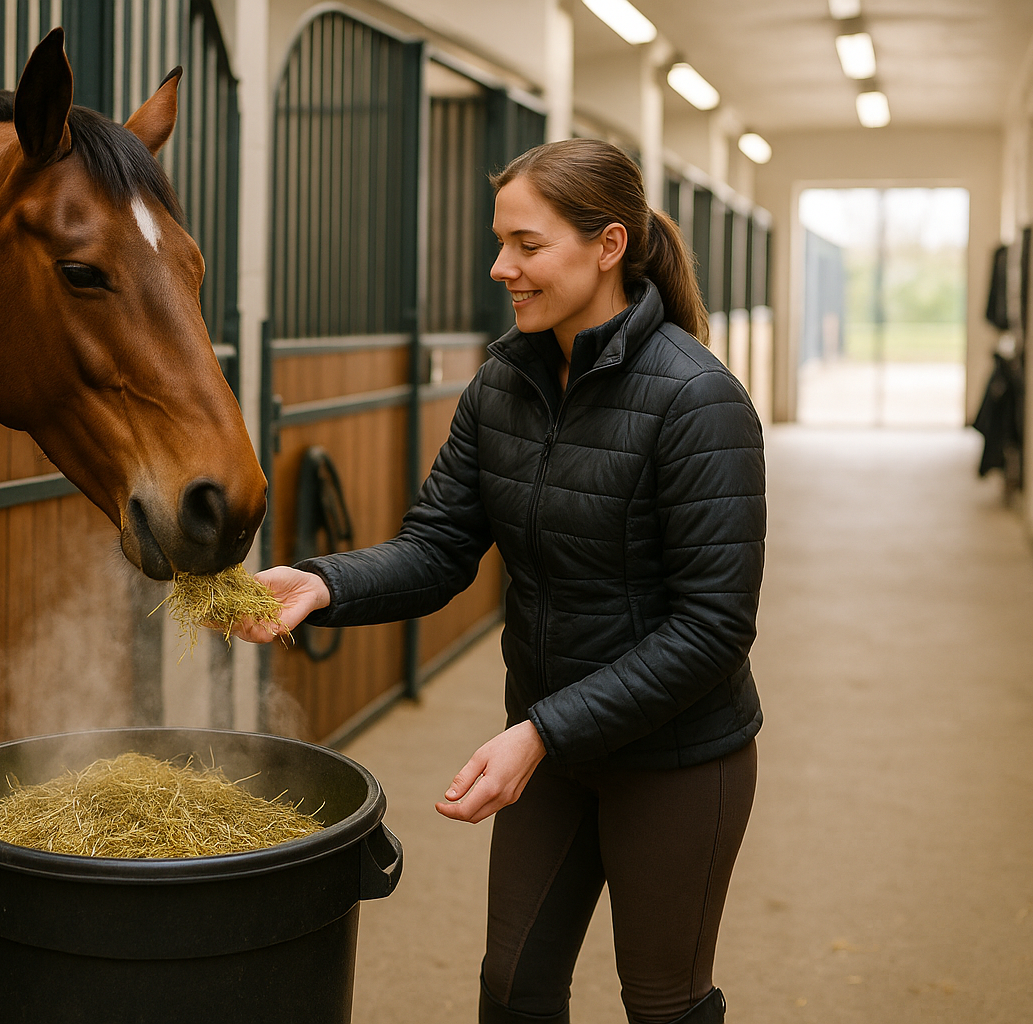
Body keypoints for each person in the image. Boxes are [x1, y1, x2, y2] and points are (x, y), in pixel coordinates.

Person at [235, 138, 764, 1024]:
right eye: (500, 242)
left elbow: (713, 628)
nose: (500, 267)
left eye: (527, 244)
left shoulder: (695, 398)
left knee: (663, 1003)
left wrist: (539, 734)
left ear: (609, 246)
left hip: (677, 759)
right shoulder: (503, 385)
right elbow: (441, 546)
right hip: (551, 745)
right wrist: (323, 585)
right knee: (513, 989)